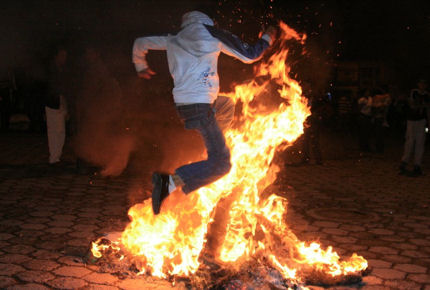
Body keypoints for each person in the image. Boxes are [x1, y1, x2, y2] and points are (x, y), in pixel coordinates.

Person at [133, 11, 276, 214]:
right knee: (222, 164)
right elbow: (250, 55)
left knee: (226, 103)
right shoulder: (212, 34)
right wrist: (268, 36)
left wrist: (140, 65)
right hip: (200, 108)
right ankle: (168, 183)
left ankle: (216, 143)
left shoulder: (174, 38)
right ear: (207, 21)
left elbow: (140, 43)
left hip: (185, 106)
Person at [45, 47, 70, 164]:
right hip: (52, 103)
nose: (64, 58)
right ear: (56, 56)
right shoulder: (51, 70)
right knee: (54, 131)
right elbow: (48, 88)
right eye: (62, 55)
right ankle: (53, 157)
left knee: (61, 131)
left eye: (65, 56)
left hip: (61, 102)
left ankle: (57, 156)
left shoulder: (63, 70)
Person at [399, 79, 430, 176]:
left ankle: (417, 164)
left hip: (421, 120)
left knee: (420, 142)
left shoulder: (427, 95)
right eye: (421, 83)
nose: (422, 85)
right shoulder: (414, 92)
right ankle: (405, 161)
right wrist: (420, 106)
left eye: (424, 83)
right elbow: (412, 104)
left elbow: (427, 108)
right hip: (412, 120)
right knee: (410, 141)